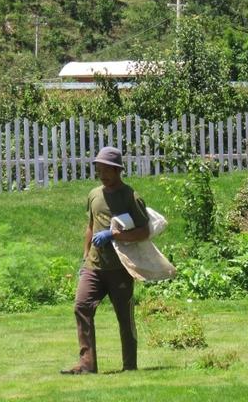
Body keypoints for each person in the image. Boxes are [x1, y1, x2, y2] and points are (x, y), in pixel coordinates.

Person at [61, 146, 150, 375]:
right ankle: (87, 365)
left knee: (124, 316)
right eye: (98, 169)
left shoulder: (131, 196)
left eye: (105, 170)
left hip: (120, 267)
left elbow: (144, 232)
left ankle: (129, 365)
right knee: (81, 306)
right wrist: (85, 257)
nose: (101, 174)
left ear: (117, 170)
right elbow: (90, 227)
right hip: (94, 266)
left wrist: (114, 235)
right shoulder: (94, 194)